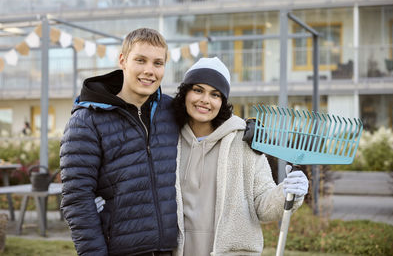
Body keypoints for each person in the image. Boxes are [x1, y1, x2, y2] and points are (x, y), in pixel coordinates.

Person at [171, 57, 309, 255]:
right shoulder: (168, 139)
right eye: (198, 90)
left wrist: (287, 193)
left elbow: (264, 206)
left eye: (215, 94)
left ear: (223, 101)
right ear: (185, 92)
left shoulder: (245, 141)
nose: (205, 100)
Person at [60, 28, 179, 256]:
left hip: (169, 249)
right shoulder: (87, 120)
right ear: (123, 60)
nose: (149, 71)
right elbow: (77, 199)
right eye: (140, 60)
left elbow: (208, 122)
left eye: (157, 63)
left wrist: (243, 129)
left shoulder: (171, 111)